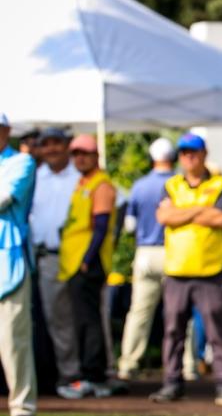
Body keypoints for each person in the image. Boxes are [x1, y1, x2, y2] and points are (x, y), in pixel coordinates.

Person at [150, 133, 222, 406]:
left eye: (194, 151)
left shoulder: (220, 184)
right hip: (177, 270)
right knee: (172, 330)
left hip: (211, 270)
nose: (189, 156)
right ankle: (172, 382)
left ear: (204, 154)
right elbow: (164, 216)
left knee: (217, 330)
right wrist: (200, 210)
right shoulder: (172, 185)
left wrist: (182, 212)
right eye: (184, 152)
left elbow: (221, 218)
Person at [59, 134, 118, 397]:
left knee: (89, 321)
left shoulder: (100, 185)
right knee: (83, 320)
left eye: (85, 153)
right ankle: (92, 374)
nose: (80, 158)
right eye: (76, 154)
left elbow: (101, 226)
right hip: (74, 264)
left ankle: (93, 375)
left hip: (88, 264)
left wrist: (87, 260)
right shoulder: (82, 183)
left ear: (96, 155)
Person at [29, 128, 83, 399]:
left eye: (56, 143)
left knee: (70, 320)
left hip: (72, 258)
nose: (51, 149)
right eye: (46, 144)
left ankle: (74, 375)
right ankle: (54, 376)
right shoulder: (34, 176)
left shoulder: (80, 176)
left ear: (66, 146)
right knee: (47, 320)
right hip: (39, 258)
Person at [116, 138, 176, 381]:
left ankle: (128, 364)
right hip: (175, 252)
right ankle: (187, 365)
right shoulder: (178, 183)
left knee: (139, 313)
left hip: (145, 253)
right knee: (179, 313)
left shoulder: (139, 186)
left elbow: (130, 225)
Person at [0, 113, 38, 416]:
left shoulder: (22, 162)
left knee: (13, 340)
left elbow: (4, 198)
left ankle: (22, 407)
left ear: (7, 131)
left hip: (9, 261)